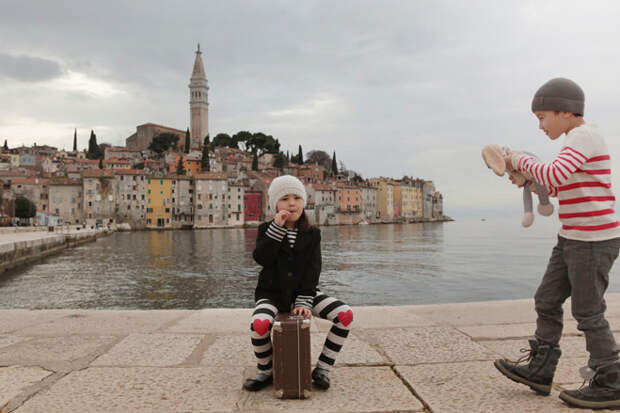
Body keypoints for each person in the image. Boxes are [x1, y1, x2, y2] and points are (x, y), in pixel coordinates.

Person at [494, 78, 620, 409]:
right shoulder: (575, 139)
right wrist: (532, 183)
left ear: (565, 112)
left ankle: (612, 379)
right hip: (572, 238)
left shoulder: (584, 136)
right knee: (546, 299)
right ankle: (540, 369)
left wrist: (519, 160)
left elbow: (553, 174)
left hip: (593, 241)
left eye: (542, 117)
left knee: (588, 312)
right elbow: (559, 186)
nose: (540, 125)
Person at [242, 175, 354, 392]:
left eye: (296, 198)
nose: (291, 203)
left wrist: (305, 300)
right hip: (271, 293)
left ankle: (322, 368)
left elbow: (313, 270)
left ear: (304, 202)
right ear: (275, 204)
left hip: (304, 293)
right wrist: (277, 228)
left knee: (345, 315)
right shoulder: (267, 229)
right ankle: (266, 370)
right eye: (284, 198)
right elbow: (261, 259)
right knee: (259, 325)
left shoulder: (313, 234)